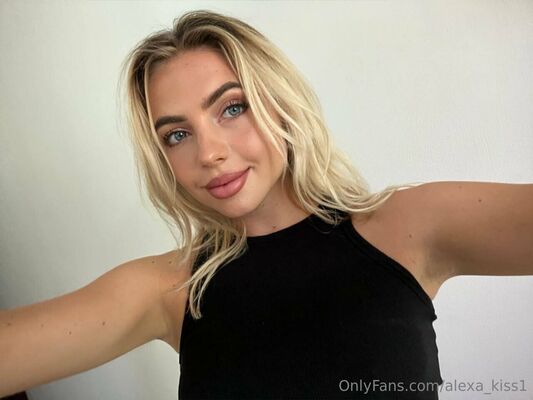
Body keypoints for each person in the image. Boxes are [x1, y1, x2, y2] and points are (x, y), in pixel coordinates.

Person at [1, 9, 531, 400]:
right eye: (177, 135)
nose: (209, 153)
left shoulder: (407, 227)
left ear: (278, 103)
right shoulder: (171, 289)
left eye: (232, 108)